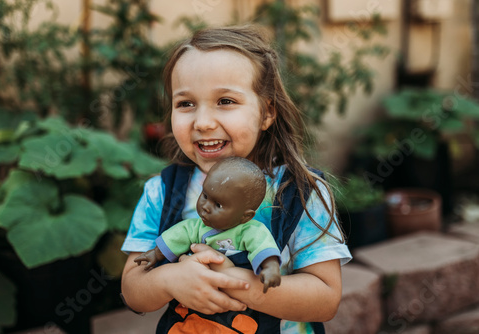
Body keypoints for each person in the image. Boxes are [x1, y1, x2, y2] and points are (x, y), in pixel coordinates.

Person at [121, 24, 352, 333]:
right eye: (185, 103)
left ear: (267, 112)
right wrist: (170, 280)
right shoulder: (160, 192)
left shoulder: (302, 193)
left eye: (225, 101)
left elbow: (325, 299)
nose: (202, 122)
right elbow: (133, 291)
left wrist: (235, 283)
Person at [134, 157, 281, 293]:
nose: (205, 206)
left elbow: (263, 246)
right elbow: (176, 237)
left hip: (239, 301)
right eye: (205, 195)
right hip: (197, 293)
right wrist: (155, 254)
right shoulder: (195, 227)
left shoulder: (250, 231)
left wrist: (270, 267)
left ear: (245, 216)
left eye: (218, 205)